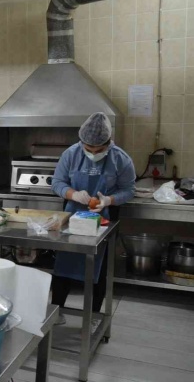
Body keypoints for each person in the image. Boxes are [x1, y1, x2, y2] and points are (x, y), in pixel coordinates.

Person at [51, 112, 135, 328]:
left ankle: (94, 316)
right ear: (82, 142)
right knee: (63, 266)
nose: (93, 154)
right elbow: (57, 182)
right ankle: (56, 310)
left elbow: (129, 190)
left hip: (104, 219)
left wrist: (109, 200)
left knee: (99, 269)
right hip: (72, 217)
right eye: (88, 149)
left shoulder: (121, 159)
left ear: (109, 143)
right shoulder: (70, 154)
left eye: (99, 150)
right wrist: (73, 194)